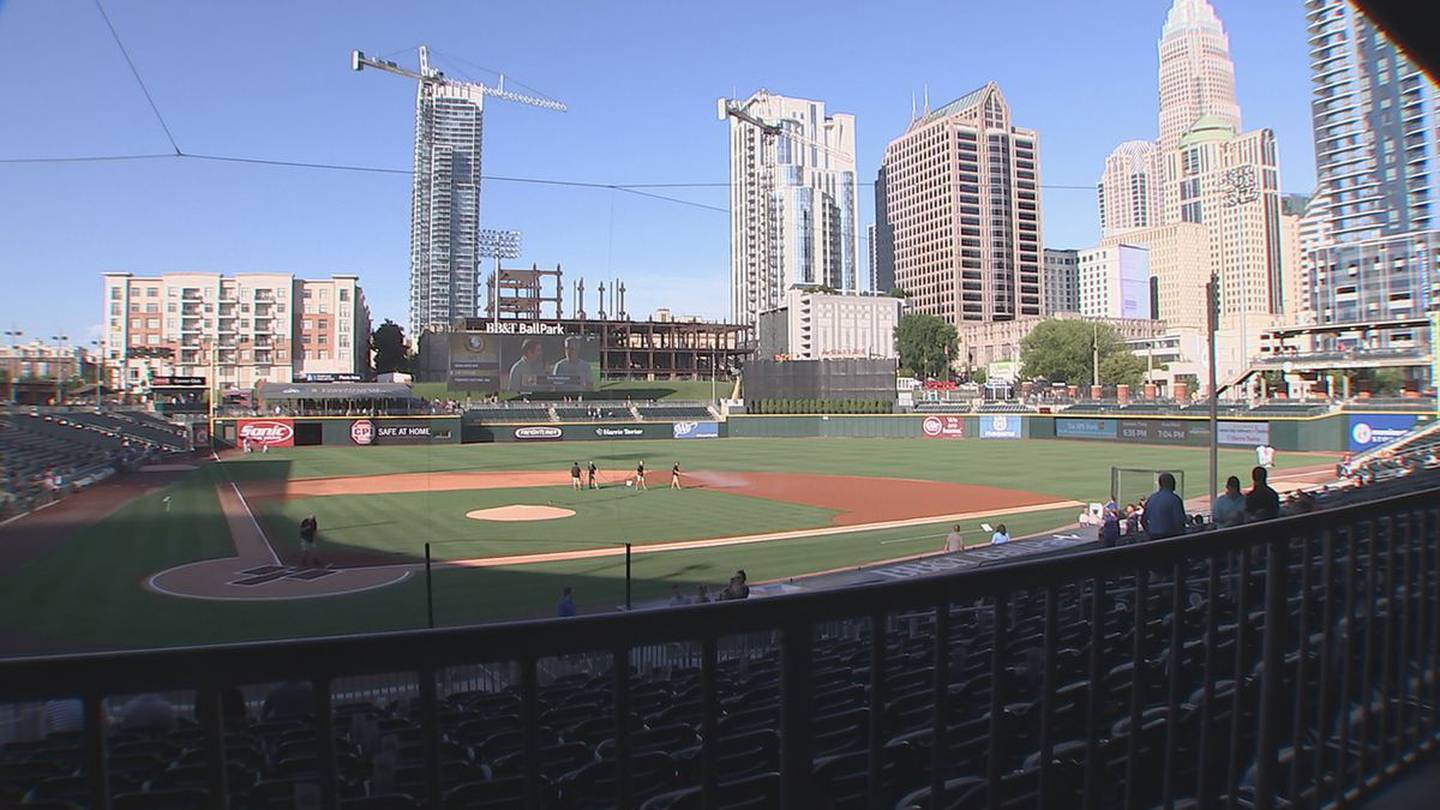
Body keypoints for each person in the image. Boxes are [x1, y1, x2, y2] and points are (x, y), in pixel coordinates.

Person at [1140, 472, 1186, 539]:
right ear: (1172, 483)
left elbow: (1143, 521)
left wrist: (1149, 533)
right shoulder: (1174, 499)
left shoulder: (1152, 498)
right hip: (1169, 537)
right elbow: (1179, 522)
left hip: (1153, 536)